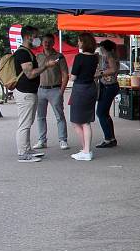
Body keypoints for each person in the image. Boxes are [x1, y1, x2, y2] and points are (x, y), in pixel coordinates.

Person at [14, 26, 59, 163]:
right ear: (28, 36)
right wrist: (46, 66)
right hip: (25, 92)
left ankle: (27, 149)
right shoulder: (23, 53)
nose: (38, 39)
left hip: (28, 92)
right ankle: (23, 153)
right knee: (25, 124)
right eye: (36, 36)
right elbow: (30, 73)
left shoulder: (27, 52)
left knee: (28, 122)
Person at [33, 33, 69, 151]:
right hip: (40, 89)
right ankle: (42, 140)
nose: (47, 44)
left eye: (49, 42)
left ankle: (63, 140)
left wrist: (61, 91)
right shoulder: (38, 56)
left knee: (59, 116)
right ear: (42, 43)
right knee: (40, 116)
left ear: (53, 43)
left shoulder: (59, 56)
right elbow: (34, 72)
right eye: (45, 42)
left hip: (55, 89)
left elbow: (65, 74)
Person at [69, 33, 100, 161]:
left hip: (80, 89)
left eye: (79, 41)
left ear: (84, 42)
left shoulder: (79, 57)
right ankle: (86, 149)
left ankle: (86, 150)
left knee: (77, 121)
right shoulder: (94, 58)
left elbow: (73, 77)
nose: (78, 43)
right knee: (86, 121)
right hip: (91, 88)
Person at [95, 40, 120, 149]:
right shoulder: (112, 55)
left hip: (108, 86)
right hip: (110, 85)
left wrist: (99, 74)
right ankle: (111, 138)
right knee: (105, 113)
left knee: (101, 112)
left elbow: (113, 69)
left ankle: (108, 138)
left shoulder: (109, 55)